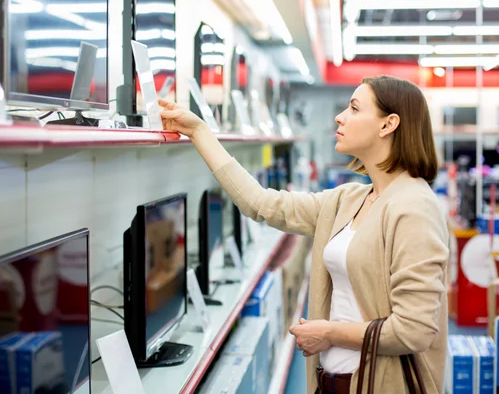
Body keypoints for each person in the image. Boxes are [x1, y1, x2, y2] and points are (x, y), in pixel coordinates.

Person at [158, 75, 448, 394]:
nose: (340, 117)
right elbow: (262, 204)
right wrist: (200, 133)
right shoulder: (348, 199)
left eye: (353, 108)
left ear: (387, 125)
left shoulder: (414, 207)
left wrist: (330, 334)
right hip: (331, 382)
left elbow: (414, 331)